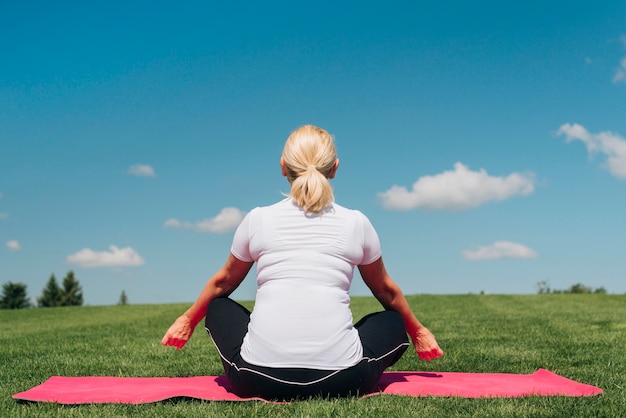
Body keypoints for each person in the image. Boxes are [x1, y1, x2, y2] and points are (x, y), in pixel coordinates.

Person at [162, 124, 443, 400]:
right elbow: (386, 291)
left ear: (283, 166)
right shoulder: (357, 223)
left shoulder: (258, 219)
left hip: (255, 378)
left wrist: (187, 320)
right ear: (335, 168)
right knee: (394, 319)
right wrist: (418, 332)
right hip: (343, 380)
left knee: (218, 304)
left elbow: (223, 282)